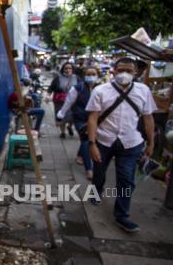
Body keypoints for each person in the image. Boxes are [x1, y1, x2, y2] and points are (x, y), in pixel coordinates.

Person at [86, 57, 156, 233]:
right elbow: (93, 118)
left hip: (131, 143)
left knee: (126, 180)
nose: (124, 74)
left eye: (129, 71)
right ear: (113, 71)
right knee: (99, 172)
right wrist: (92, 143)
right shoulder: (100, 91)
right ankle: (96, 191)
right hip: (104, 141)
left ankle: (122, 215)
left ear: (136, 73)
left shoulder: (143, 90)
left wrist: (151, 142)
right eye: (120, 70)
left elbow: (148, 118)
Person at [57, 67, 99, 180]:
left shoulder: (101, 88)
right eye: (88, 74)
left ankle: (80, 155)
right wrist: (61, 115)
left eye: (93, 74)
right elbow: (68, 102)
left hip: (96, 119)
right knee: (86, 140)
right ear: (84, 76)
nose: (91, 76)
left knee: (88, 139)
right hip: (80, 118)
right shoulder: (77, 88)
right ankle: (89, 169)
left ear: (97, 75)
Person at [47, 62, 79, 138]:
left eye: (69, 68)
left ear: (72, 69)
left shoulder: (76, 78)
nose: (68, 70)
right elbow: (51, 87)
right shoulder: (58, 78)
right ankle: (63, 132)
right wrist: (48, 96)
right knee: (61, 115)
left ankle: (70, 126)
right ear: (63, 69)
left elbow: (81, 88)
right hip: (60, 101)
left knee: (72, 117)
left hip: (73, 101)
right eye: (66, 68)